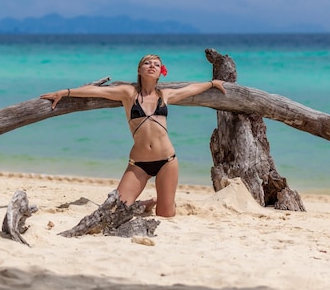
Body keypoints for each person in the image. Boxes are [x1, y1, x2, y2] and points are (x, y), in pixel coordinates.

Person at [40, 54, 226, 217]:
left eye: (156, 64)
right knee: (116, 210)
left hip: (167, 161)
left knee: (166, 214)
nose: (152, 66)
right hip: (139, 164)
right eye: (147, 63)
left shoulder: (165, 94)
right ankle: (146, 203)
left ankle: (160, 201)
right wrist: (64, 92)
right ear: (139, 69)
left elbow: (190, 89)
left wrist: (212, 83)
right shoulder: (129, 93)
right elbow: (97, 90)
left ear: (161, 71)